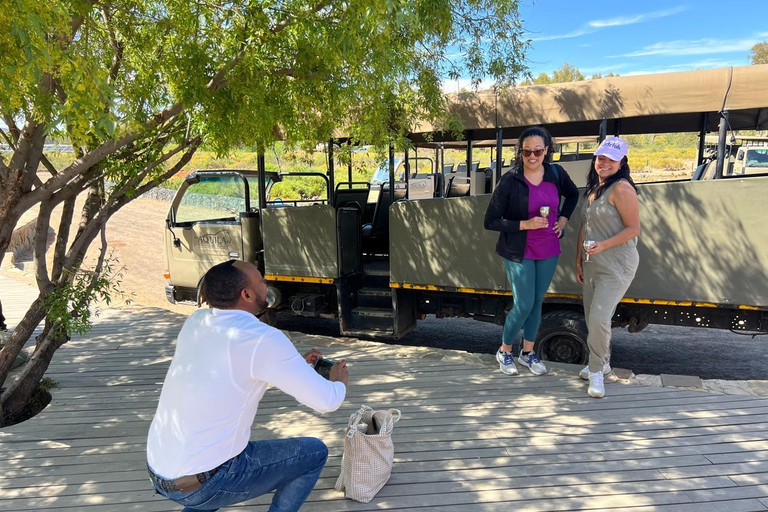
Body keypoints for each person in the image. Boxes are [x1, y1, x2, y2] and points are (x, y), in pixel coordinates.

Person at [147, 260, 348, 512]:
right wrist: (338, 382)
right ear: (247, 294)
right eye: (261, 280)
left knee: (208, 463)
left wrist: (293, 364)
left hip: (159, 473)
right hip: (208, 482)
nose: (266, 285)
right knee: (313, 453)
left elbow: (237, 371)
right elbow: (327, 401)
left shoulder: (197, 322)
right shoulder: (263, 338)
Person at [484, 126, 580, 376]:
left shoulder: (556, 173)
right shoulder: (510, 179)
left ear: (546, 150)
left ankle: (527, 353)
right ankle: (504, 351)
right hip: (518, 250)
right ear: (521, 153)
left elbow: (572, 196)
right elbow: (490, 220)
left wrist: (564, 219)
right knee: (523, 303)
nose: (533, 156)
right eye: (527, 152)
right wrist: (523, 224)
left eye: (538, 150)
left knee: (537, 302)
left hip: (548, 248)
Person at [575, 136, 641, 398]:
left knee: (600, 318)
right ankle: (601, 363)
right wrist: (578, 260)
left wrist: (603, 245)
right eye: (601, 157)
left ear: (621, 162)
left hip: (617, 265)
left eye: (611, 159)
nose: (604, 163)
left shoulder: (622, 189)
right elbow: (584, 226)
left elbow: (633, 229)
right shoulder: (595, 188)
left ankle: (596, 372)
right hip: (593, 264)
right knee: (593, 318)